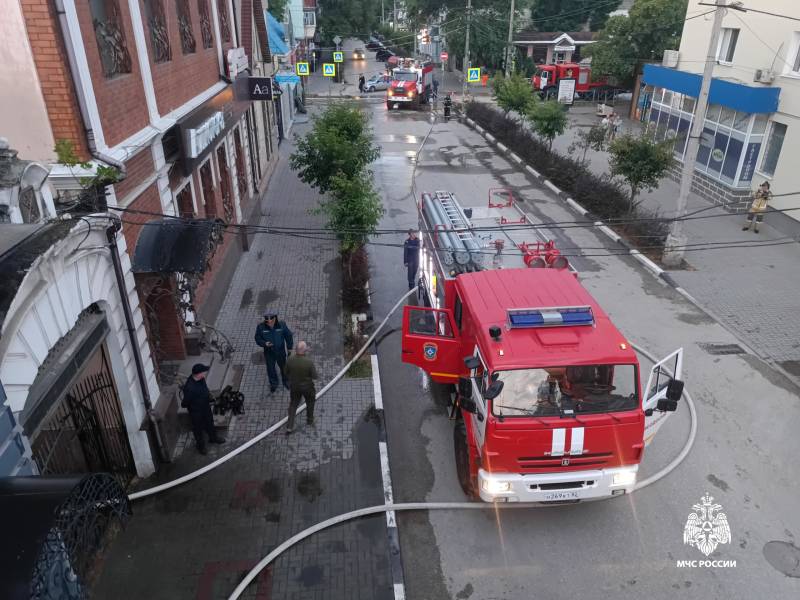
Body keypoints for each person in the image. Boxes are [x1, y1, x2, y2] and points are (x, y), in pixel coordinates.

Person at [182, 364, 226, 455]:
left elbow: (205, 389)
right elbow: (185, 403)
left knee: (210, 422)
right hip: (196, 412)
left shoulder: (201, 379)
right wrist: (194, 406)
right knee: (197, 429)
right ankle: (200, 446)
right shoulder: (189, 388)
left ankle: (213, 438)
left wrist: (209, 397)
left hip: (205, 407)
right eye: (203, 372)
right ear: (198, 374)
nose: (205, 373)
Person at [284, 341, 319, 433]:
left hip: (294, 387)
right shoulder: (308, 362)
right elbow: (315, 376)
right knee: (310, 402)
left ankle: (289, 426)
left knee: (293, 404)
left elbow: (286, 373)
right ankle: (310, 420)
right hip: (307, 387)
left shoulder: (290, 359)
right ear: (304, 350)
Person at [254, 312, 294, 393]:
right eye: (267, 320)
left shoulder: (282, 325)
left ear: (275, 318)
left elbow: (288, 336)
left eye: (271, 320)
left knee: (284, 367)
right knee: (271, 369)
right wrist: (264, 343)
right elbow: (257, 338)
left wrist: (289, 348)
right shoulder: (261, 327)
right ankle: (274, 384)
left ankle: (286, 381)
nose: (269, 322)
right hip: (269, 354)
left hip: (280, 352)